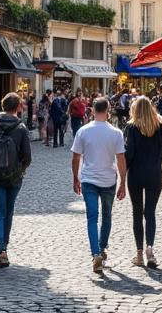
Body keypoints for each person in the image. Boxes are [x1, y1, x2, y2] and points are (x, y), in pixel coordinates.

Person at [71, 96, 127, 274]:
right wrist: (123, 182)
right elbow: (120, 159)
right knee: (107, 215)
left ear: (93, 111)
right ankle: (102, 249)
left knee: (92, 218)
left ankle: (95, 252)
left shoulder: (83, 131)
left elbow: (76, 157)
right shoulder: (116, 132)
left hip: (89, 179)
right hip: (109, 180)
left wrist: (75, 178)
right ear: (108, 111)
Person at [0, 92, 32, 267]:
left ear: (2, 106)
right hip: (14, 178)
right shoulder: (21, 128)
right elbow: (27, 156)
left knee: (0, 212)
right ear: (18, 107)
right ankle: (5, 248)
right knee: (8, 212)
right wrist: (20, 171)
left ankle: (0, 249)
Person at [123, 96, 162, 268]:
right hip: (154, 174)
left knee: (137, 213)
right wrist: (155, 162)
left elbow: (130, 153)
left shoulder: (132, 128)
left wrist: (123, 171)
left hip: (136, 174)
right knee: (150, 213)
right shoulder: (159, 127)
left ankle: (139, 253)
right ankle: (150, 248)